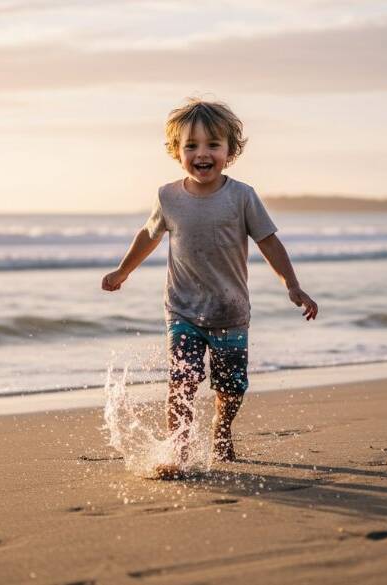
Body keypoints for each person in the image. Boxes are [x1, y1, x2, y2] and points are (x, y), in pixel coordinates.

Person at [101, 98, 317, 478]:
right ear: (176, 151)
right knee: (181, 379)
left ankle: (222, 427)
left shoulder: (242, 197)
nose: (202, 153)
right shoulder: (168, 197)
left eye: (213, 145)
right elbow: (148, 236)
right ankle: (177, 452)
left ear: (230, 152)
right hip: (182, 310)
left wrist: (293, 286)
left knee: (232, 387)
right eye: (191, 146)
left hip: (230, 312)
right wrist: (123, 270)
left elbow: (268, 242)